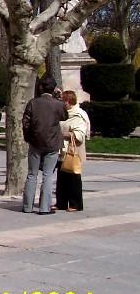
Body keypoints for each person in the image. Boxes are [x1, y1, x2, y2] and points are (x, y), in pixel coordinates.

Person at [22, 76, 68, 214]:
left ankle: (27, 206)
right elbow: (65, 116)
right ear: (54, 89)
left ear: (41, 87)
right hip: (52, 143)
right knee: (48, 175)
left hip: (35, 143)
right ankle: (44, 207)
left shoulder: (33, 103)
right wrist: (59, 98)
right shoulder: (57, 104)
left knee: (32, 174)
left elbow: (25, 122)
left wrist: (29, 138)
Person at [56, 91, 90, 211]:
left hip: (72, 151)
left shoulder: (78, 115)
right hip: (61, 150)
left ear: (68, 102)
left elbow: (80, 134)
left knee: (73, 178)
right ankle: (61, 203)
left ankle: (75, 204)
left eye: (62, 100)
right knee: (61, 177)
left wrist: (66, 134)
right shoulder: (63, 113)